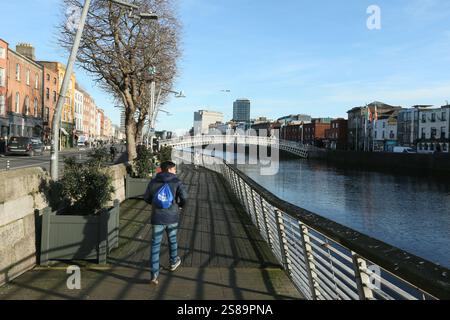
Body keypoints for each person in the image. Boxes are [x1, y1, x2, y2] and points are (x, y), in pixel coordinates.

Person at [144, 161, 188, 285]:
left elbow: (146, 198)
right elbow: (185, 197)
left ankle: (154, 275)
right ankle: (173, 262)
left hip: (157, 217)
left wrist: (156, 204)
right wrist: (179, 206)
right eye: (174, 169)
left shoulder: (153, 182)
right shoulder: (176, 182)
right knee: (172, 240)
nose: (175, 171)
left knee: (155, 245)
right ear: (169, 170)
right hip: (172, 217)